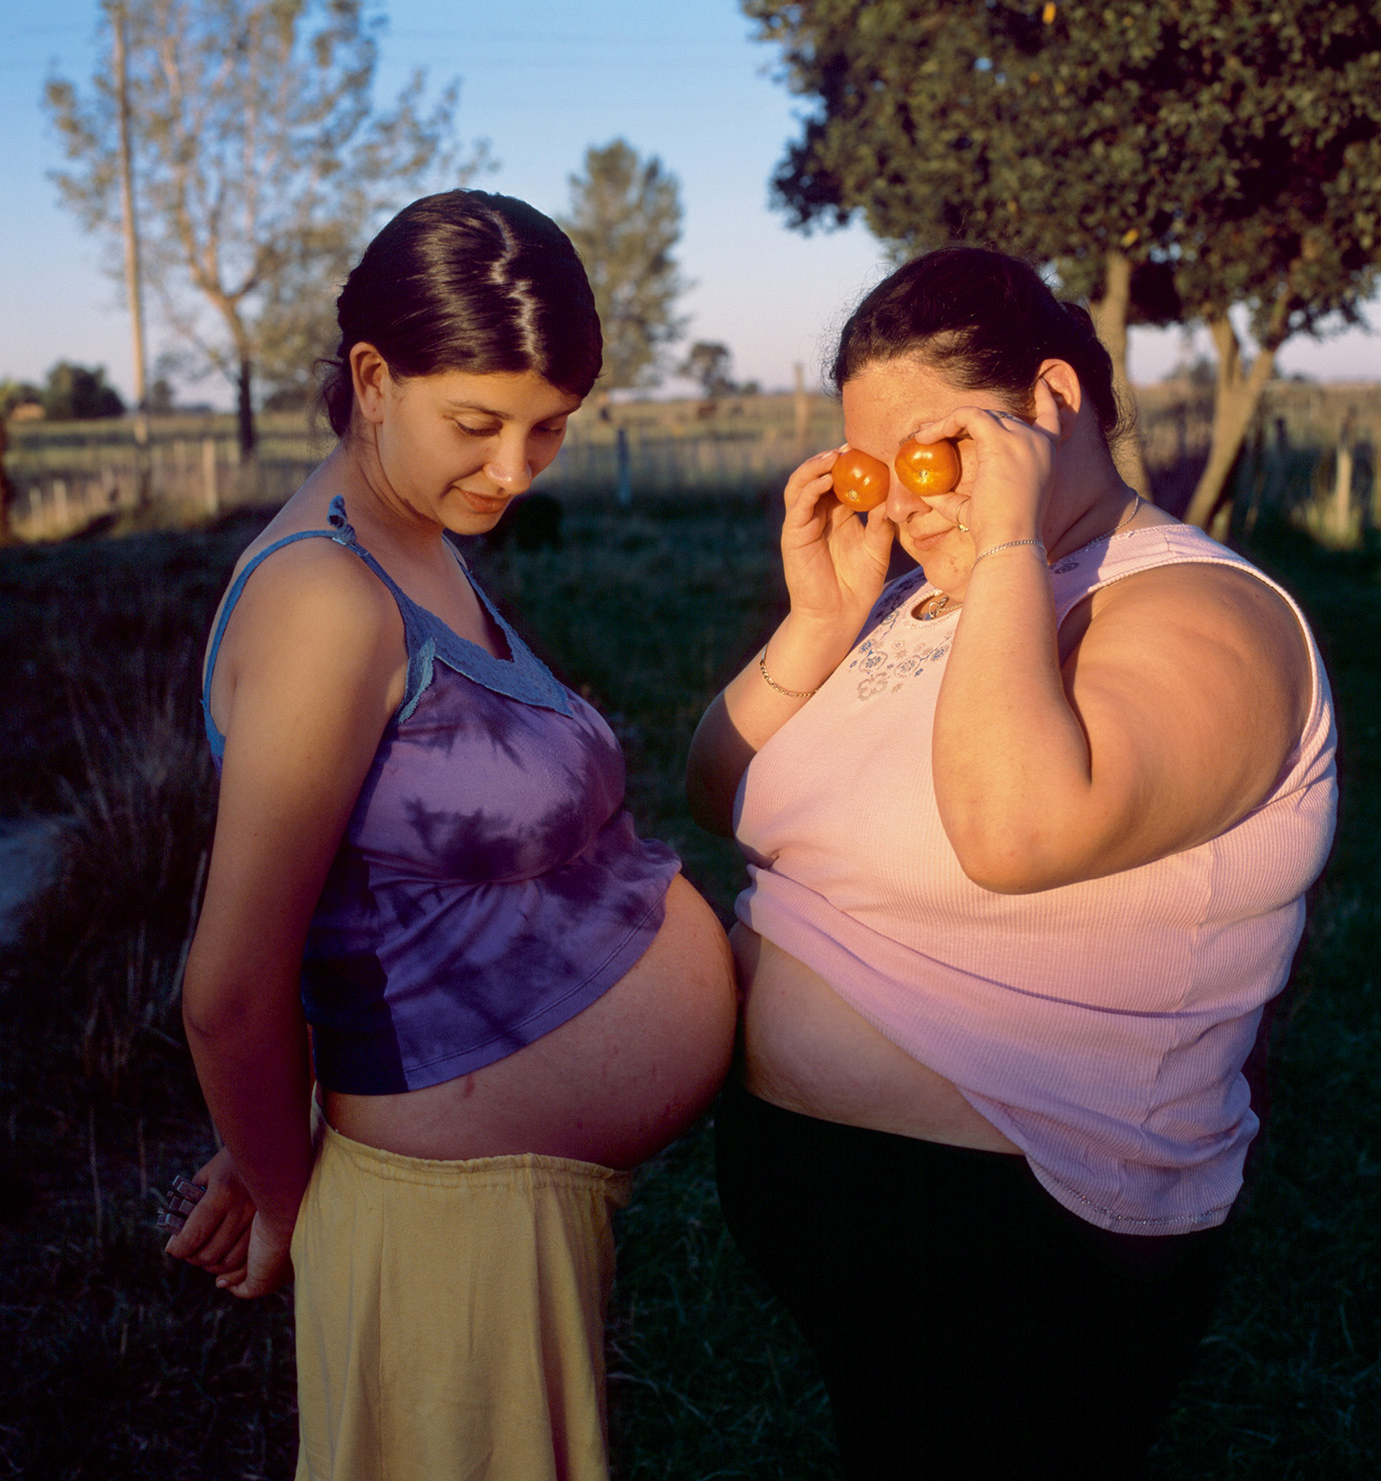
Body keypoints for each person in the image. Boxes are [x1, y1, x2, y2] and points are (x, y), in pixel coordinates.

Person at [686, 247, 1337, 1479]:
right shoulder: (945, 600)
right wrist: (823, 621)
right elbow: (724, 789)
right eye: (875, 473)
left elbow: (1016, 831)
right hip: (874, 1239)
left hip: (1027, 1252)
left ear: (1048, 405)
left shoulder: (1204, 613)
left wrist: (1000, 552)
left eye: (935, 456)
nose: (906, 503)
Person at [163, 189, 737, 1481]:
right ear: (373, 376)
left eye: (551, 427)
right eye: (478, 423)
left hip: (489, 1204)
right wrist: (294, 1192)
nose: (518, 467)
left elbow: (356, 887)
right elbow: (229, 988)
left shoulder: (413, 537)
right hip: (444, 1226)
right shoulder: (326, 598)